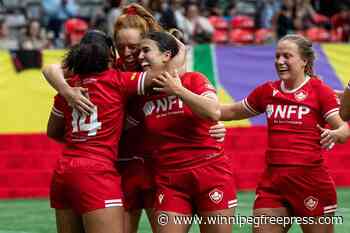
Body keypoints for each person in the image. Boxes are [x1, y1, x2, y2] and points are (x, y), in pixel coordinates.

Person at [218, 34, 349, 233]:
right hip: (273, 184)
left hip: (311, 183)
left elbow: (343, 128)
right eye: (277, 56)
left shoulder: (320, 90)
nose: (280, 61)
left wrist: (336, 134)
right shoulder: (266, 92)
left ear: (304, 61)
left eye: (287, 56)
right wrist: (190, 101)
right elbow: (230, 111)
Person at [45, 30, 150, 233]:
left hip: (64, 170)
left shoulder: (68, 88)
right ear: (110, 54)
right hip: (96, 172)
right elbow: (159, 76)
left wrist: (79, 138)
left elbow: (52, 131)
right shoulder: (118, 80)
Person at [138, 31, 236, 233]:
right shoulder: (142, 92)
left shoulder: (194, 80)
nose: (140, 56)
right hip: (169, 180)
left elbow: (213, 111)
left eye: (145, 50)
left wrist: (179, 90)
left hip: (211, 174)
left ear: (166, 55)